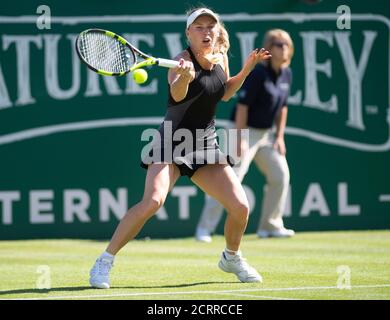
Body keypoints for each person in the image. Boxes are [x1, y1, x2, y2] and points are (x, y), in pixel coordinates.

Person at [89, 7, 271, 289]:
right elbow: (177, 95)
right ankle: (104, 261)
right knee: (152, 202)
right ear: (188, 33)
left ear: (217, 31)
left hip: (204, 142)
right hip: (171, 141)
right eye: (198, 27)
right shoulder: (179, 61)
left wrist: (246, 69)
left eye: (211, 26)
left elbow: (223, 94)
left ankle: (231, 258)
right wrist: (184, 78)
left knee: (240, 207)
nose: (206, 31)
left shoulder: (220, 57)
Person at [195, 29, 295, 243]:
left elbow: (282, 108)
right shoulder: (258, 74)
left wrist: (279, 137)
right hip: (243, 129)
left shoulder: (287, 74)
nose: (283, 48)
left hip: (266, 135)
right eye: (278, 44)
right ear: (270, 48)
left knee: (280, 175)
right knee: (229, 180)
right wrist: (239, 138)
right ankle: (204, 229)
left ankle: (270, 226)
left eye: (286, 44)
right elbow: (242, 107)